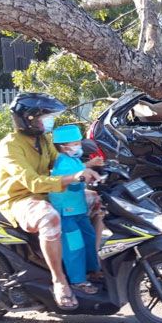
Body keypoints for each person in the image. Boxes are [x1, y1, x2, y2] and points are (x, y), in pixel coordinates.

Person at [0, 92, 100, 310]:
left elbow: (60, 162)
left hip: (46, 193)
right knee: (50, 218)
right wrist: (74, 177)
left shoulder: (42, 140)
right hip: (20, 199)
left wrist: (88, 166)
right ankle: (59, 280)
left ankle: (91, 263)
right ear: (29, 119)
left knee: (96, 201)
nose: (49, 121)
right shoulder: (9, 147)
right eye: (45, 117)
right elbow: (32, 182)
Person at [49, 125, 104, 294]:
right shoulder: (62, 162)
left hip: (78, 209)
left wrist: (90, 164)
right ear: (64, 146)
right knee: (75, 246)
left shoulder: (71, 159)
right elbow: (74, 175)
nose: (78, 146)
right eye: (75, 143)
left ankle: (92, 270)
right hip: (67, 212)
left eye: (79, 143)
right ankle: (77, 280)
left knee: (89, 237)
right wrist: (86, 172)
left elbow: (79, 168)